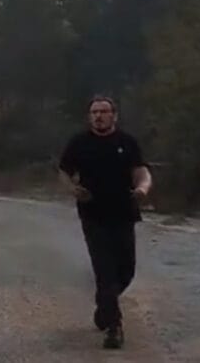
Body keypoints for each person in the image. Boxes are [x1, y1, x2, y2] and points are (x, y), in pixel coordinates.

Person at [58, 95, 152, 350]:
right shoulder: (79, 143)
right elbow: (63, 171)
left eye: (103, 111)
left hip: (124, 213)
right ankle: (114, 326)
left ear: (114, 115)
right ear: (90, 116)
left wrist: (143, 188)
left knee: (126, 270)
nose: (98, 116)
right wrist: (72, 189)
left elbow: (141, 171)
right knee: (105, 269)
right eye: (94, 112)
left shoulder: (126, 142)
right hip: (93, 215)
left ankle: (104, 304)